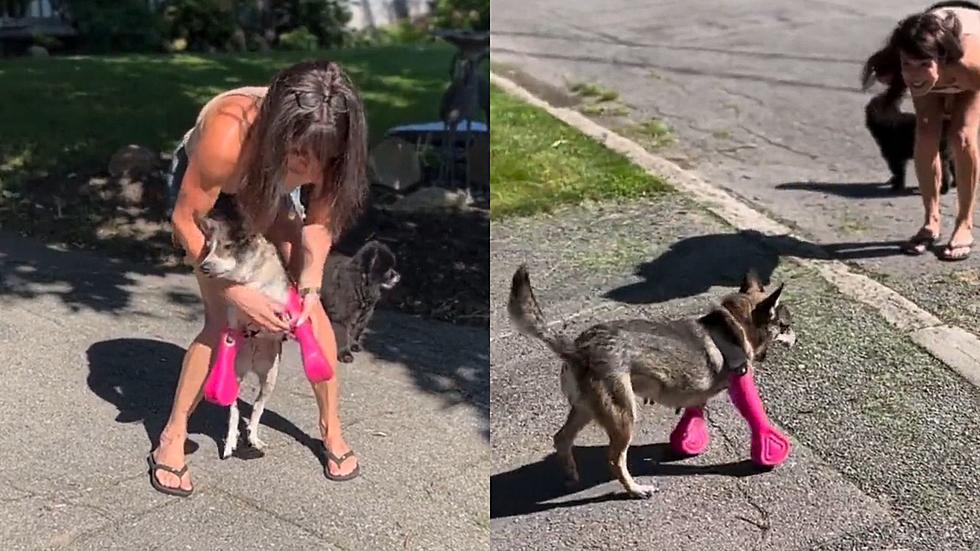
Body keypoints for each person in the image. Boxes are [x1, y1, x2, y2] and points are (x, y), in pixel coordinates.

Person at [147, 59, 368, 496]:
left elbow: (318, 226)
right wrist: (237, 290)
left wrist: (309, 286)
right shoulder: (227, 134)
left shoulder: (332, 144)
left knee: (307, 308)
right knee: (222, 317)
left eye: (323, 161)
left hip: (267, 186)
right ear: (278, 132)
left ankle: (332, 428)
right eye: (302, 158)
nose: (312, 172)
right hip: (213, 198)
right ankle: (172, 437)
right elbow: (186, 220)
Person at [862, 1, 980, 260]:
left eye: (923, 64)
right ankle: (931, 222)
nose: (914, 74)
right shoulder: (896, 69)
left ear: (940, 60)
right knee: (926, 135)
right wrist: (913, 69)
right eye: (908, 64)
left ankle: (965, 224)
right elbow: (905, 69)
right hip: (932, 37)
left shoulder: (970, 64)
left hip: (965, 55)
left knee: (961, 136)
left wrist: (954, 103)